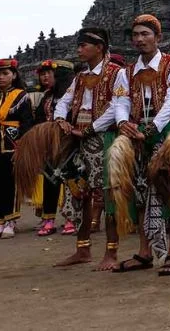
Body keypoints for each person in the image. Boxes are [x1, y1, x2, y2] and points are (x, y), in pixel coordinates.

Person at [110, 14, 170, 274]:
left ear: (158, 38)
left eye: (145, 34)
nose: (140, 39)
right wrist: (124, 123)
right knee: (140, 191)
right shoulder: (126, 72)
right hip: (137, 134)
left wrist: (153, 127)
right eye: (136, 35)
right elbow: (120, 102)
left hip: (166, 131)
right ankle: (144, 252)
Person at [52, 28, 124, 268]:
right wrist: (61, 119)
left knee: (108, 193)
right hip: (79, 138)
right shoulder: (80, 77)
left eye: (84, 45)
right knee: (78, 191)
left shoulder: (117, 74)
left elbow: (117, 106)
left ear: (100, 47)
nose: (79, 50)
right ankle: (82, 249)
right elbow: (64, 101)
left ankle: (111, 253)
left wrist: (91, 128)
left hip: (105, 138)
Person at [31, 59, 75, 236]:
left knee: (70, 182)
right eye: (42, 74)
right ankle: (49, 218)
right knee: (50, 181)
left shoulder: (72, 96)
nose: (44, 77)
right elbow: (39, 120)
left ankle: (71, 217)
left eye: (48, 73)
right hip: (49, 146)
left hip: (68, 146)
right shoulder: (47, 97)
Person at [0, 58, 33, 239]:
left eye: (5, 74)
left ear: (14, 75)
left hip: (11, 144)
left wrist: (22, 144)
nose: (1, 78)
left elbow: (27, 123)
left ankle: (10, 221)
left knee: (9, 183)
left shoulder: (21, 95)